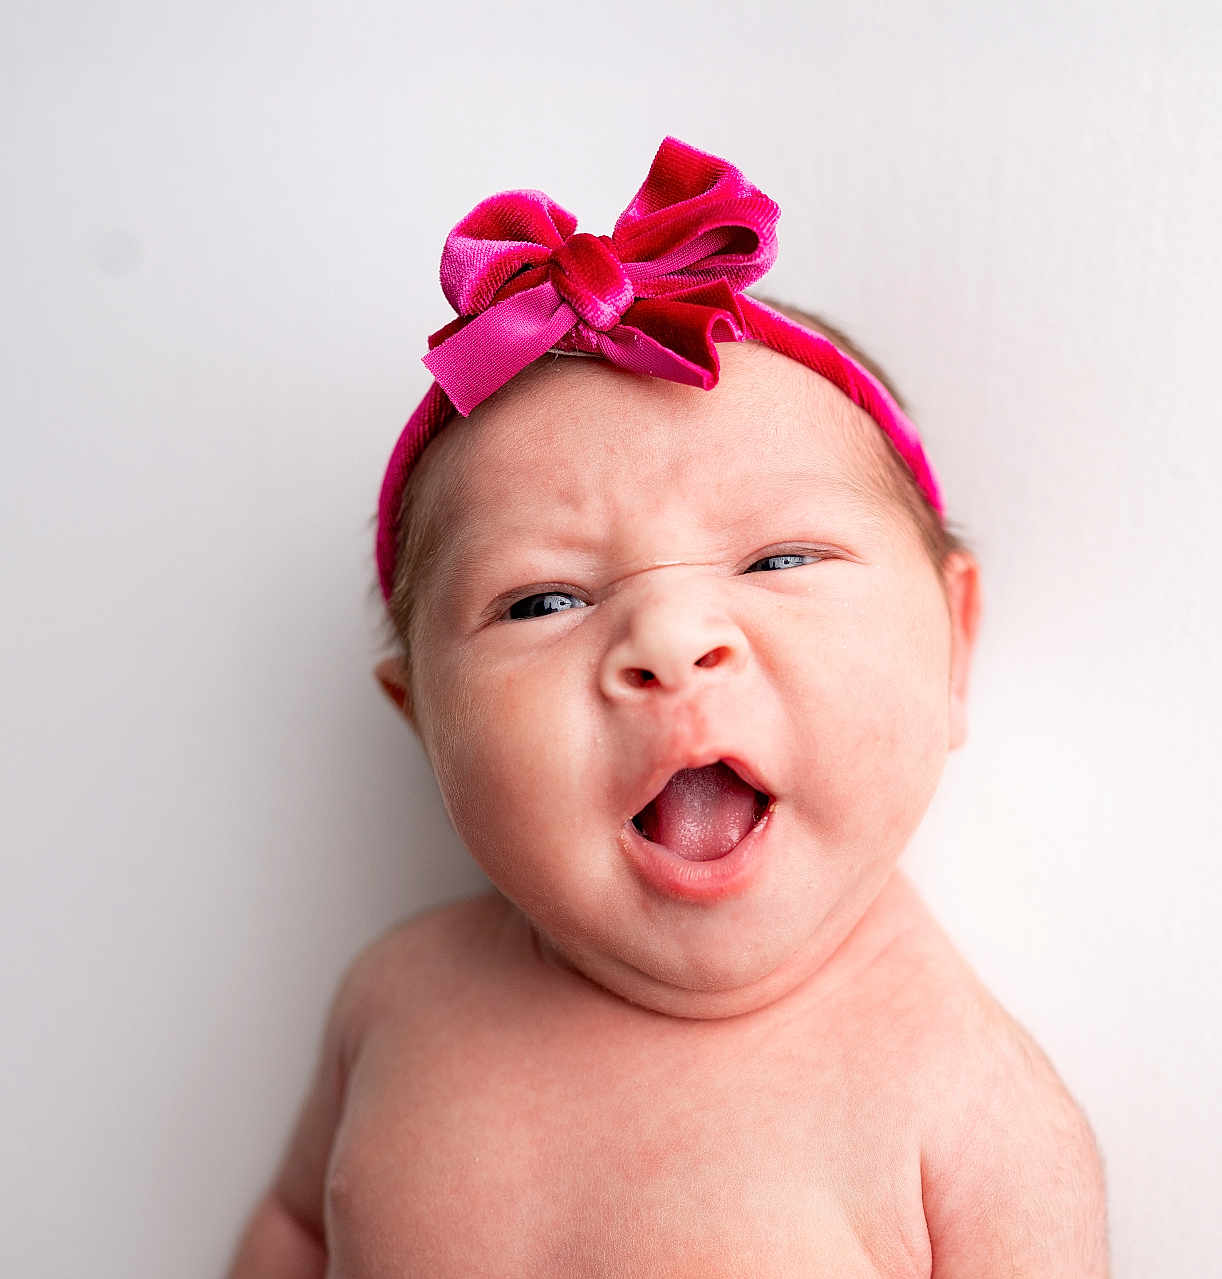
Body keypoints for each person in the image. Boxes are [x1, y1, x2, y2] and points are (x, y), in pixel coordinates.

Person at [227, 137, 1108, 1277]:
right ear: (422, 721)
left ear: (954, 647)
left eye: (780, 560)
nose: (669, 641)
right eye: (542, 599)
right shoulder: (393, 1001)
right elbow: (297, 1225)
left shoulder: (972, 1123)